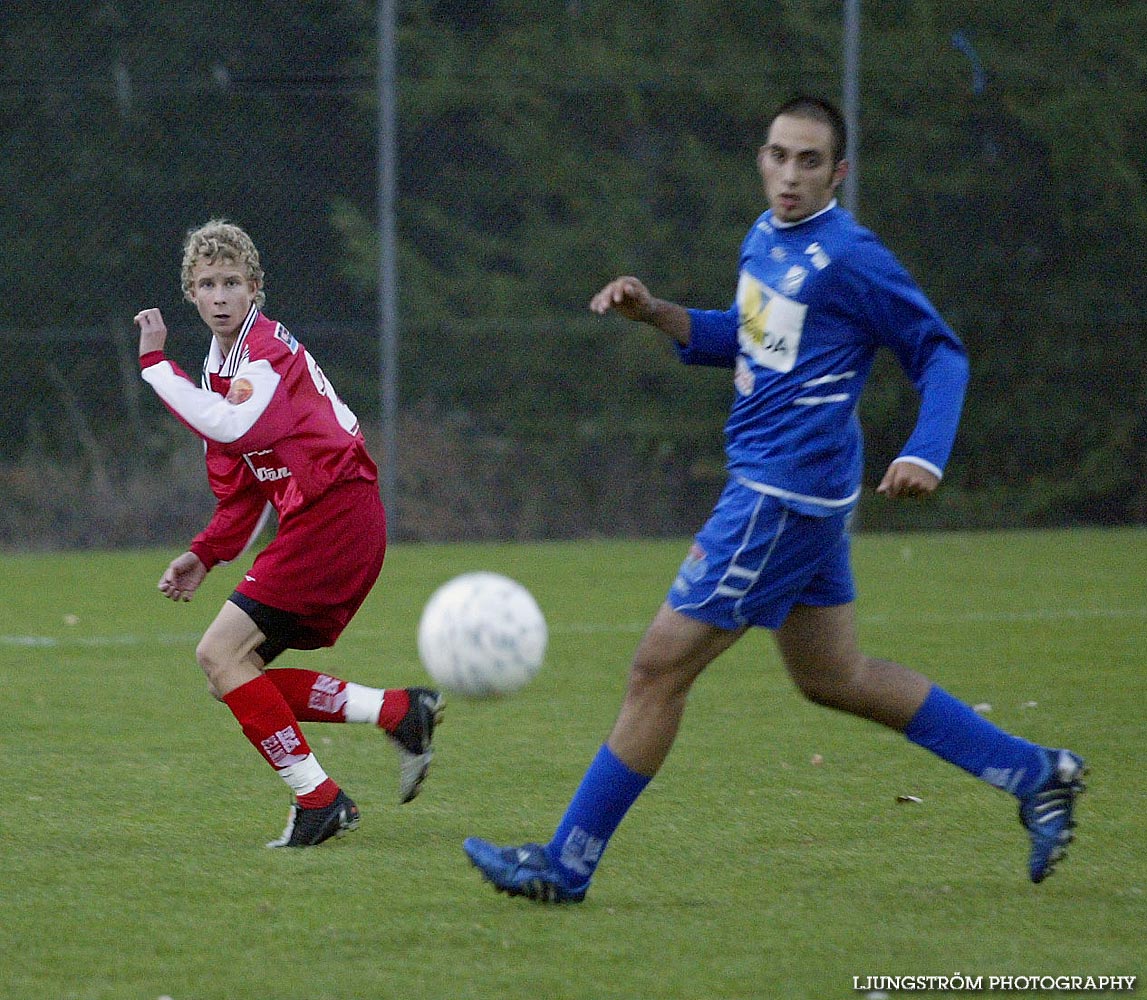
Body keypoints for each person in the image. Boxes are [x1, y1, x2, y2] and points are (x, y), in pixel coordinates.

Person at [463, 96, 1085, 901]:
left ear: (838, 173)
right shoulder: (764, 238)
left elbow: (941, 353)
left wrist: (924, 453)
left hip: (776, 496)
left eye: (808, 161)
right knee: (834, 676)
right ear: (761, 157)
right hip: (798, 494)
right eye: (778, 156)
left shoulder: (849, 256)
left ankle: (564, 865)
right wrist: (655, 313)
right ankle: (1037, 773)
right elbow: (750, 339)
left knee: (656, 670)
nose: (789, 175)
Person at [135, 219, 444, 848]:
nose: (219, 295)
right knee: (237, 674)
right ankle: (396, 713)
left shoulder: (265, 351)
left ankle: (321, 799)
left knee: (219, 657)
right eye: (206, 285)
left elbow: (232, 429)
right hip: (322, 520)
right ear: (191, 296)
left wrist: (154, 367)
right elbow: (244, 490)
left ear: (255, 288)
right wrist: (205, 552)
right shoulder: (221, 366)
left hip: (337, 513)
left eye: (231, 282)